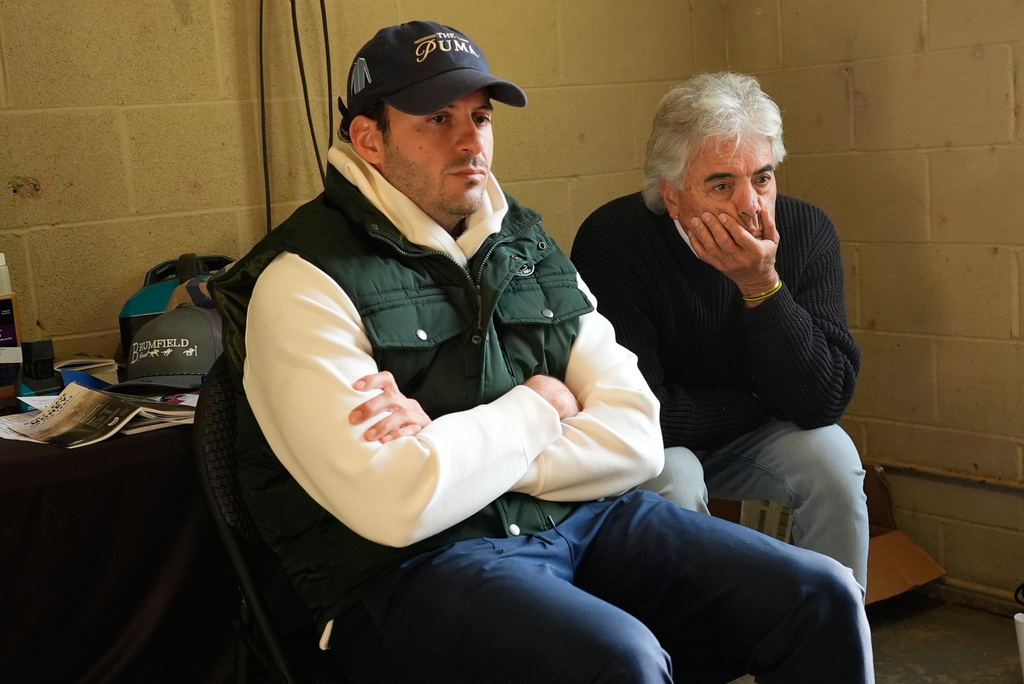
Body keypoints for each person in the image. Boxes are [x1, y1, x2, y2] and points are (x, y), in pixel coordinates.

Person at [212, 23, 874, 683]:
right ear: (369, 140)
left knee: (821, 597)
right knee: (623, 659)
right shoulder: (301, 282)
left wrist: (453, 445)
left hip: (581, 521)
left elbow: (638, 436)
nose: (470, 139)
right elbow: (400, 503)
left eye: (479, 116)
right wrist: (540, 405)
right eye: (437, 118)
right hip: (411, 571)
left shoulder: (524, 248)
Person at [571, 72, 870, 590]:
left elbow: (823, 401)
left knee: (832, 458)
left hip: (745, 434)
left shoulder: (806, 231)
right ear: (673, 195)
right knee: (676, 478)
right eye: (721, 184)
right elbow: (639, 414)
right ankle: (694, 650)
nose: (751, 204)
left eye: (762, 177)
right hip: (658, 441)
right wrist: (755, 400)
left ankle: (837, 640)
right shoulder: (615, 241)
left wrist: (762, 284)